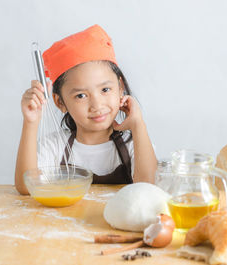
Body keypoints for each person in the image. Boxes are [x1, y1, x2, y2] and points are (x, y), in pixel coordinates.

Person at [15, 25, 157, 195]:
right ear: (60, 102)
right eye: (81, 96)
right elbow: (25, 188)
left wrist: (138, 125)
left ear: (120, 87)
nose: (97, 105)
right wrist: (31, 122)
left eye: (105, 90)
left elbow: (148, 188)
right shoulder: (54, 147)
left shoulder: (135, 145)